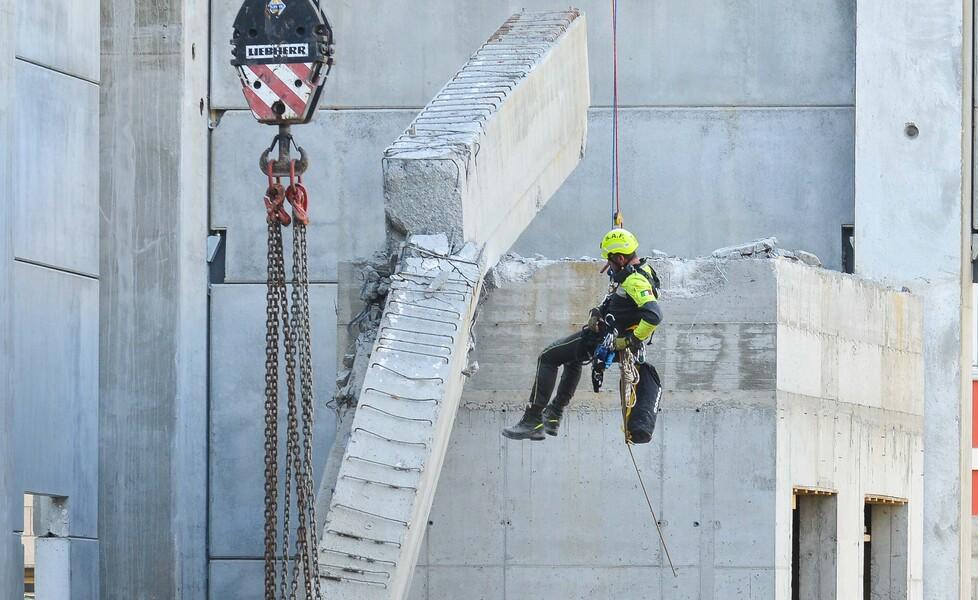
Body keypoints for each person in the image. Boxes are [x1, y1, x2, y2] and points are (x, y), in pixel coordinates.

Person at [501, 228, 663, 443]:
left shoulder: (634, 281)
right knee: (572, 359)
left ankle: (533, 419)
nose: (608, 265)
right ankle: (553, 417)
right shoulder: (642, 269)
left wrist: (629, 341)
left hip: (606, 339)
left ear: (621, 258)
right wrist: (600, 311)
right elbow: (624, 301)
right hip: (609, 334)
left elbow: (654, 315)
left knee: (548, 357)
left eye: (610, 259)